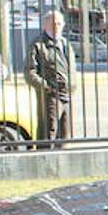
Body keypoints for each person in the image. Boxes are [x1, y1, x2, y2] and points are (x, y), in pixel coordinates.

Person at [25, 10, 76, 147]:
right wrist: (47, 87)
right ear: (45, 25)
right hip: (49, 96)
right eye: (53, 23)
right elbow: (30, 73)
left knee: (65, 135)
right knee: (48, 133)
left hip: (66, 94)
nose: (57, 26)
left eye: (59, 23)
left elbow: (71, 69)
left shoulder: (65, 44)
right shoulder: (38, 44)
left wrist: (72, 85)